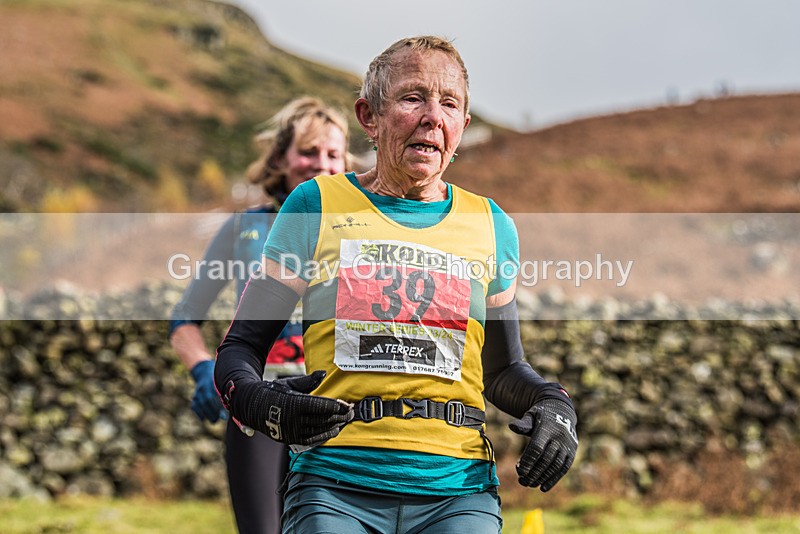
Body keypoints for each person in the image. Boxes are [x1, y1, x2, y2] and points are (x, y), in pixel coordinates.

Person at [214, 36, 578, 533]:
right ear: (370, 116)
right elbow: (240, 348)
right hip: (334, 489)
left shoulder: (492, 226)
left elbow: (504, 370)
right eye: (413, 98)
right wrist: (262, 402)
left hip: (459, 493)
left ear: (462, 126)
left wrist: (554, 405)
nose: (433, 116)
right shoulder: (314, 205)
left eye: (449, 103)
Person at [169, 97, 351, 534]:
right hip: (258, 400)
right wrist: (204, 369)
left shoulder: (364, 227)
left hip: (338, 401)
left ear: (347, 161)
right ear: (281, 159)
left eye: (332, 154)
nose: (321, 164)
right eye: (308, 152)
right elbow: (185, 317)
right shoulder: (242, 228)